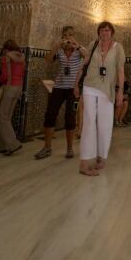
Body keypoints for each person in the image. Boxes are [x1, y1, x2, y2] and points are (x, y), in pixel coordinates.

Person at [74, 21, 125, 176]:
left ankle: (101, 156)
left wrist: (120, 91)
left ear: (112, 33)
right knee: (89, 121)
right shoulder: (93, 44)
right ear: (98, 33)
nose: (105, 33)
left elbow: (120, 70)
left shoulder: (118, 48)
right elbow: (84, 64)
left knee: (105, 124)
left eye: (107, 30)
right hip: (90, 85)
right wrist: (76, 84)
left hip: (107, 89)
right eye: (102, 30)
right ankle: (84, 163)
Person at [35, 26, 86, 160]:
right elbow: (47, 60)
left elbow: (88, 57)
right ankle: (47, 148)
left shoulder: (78, 50)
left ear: (73, 36)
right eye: (65, 35)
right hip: (58, 87)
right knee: (50, 115)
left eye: (70, 35)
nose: (67, 38)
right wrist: (56, 47)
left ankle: (69, 148)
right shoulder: (60, 51)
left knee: (70, 118)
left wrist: (77, 45)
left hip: (72, 89)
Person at [0, 39, 25, 156]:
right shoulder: (22, 57)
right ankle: (1, 146)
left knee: (1, 117)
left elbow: (4, 76)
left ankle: (13, 144)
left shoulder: (6, 57)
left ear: (6, 49)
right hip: (18, 88)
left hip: (9, 88)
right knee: (6, 117)